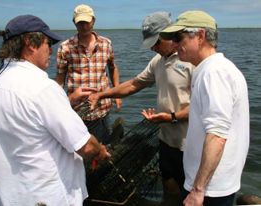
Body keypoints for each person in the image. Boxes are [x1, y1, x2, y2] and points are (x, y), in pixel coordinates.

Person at [0, 15, 110, 206]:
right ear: (30, 44)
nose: (51, 50)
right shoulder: (42, 87)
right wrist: (101, 151)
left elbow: (26, 121)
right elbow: (86, 146)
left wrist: (66, 102)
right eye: (48, 43)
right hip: (51, 199)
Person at [89, 11, 193, 205]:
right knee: (169, 186)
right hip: (166, 140)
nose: (153, 48)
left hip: (190, 144)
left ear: (170, 34)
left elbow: (202, 107)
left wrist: (171, 117)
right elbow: (134, 84)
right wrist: (102, 94)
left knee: (192, 194)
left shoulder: (191, 61)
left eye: (156, 42)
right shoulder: (158, 61)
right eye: (150, 44)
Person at [161, 10, 249, 206]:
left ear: (200, 36)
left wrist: (198, 190)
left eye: (178, 37)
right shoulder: (213, 69)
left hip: (210, 189)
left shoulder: (213, 73)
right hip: (213, 184)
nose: (174, 45)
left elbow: (217, 134)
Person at [56, 4, 122, 144]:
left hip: (102, 106)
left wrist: (117, 92)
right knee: (79, 151)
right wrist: (58, 103)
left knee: (102, 145)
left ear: (93, 21)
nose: (84, 26)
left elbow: (113, 68)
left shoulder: (106, 44)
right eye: (80, 23)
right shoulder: (65, 47)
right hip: (77, 111)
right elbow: (60, 79)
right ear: (74, 22)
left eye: (86, 22)